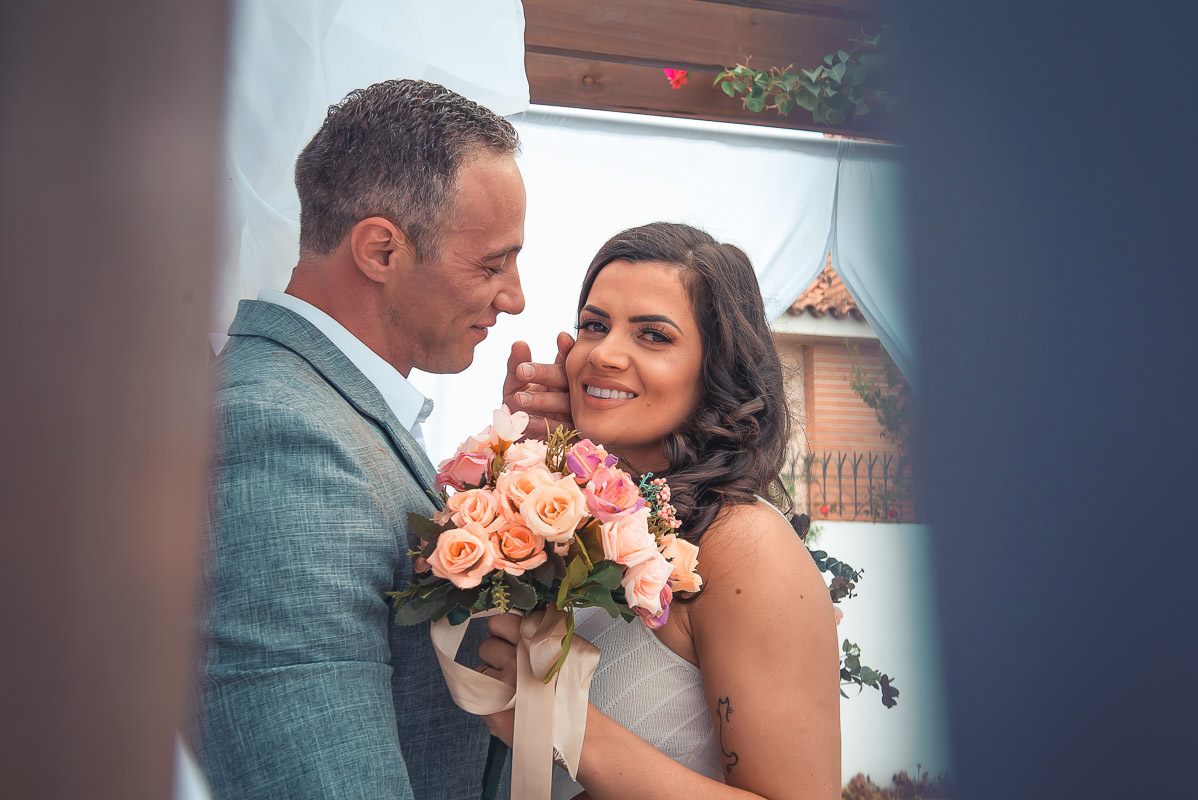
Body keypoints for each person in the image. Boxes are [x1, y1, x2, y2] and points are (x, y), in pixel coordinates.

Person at [196, 79, 543, 799]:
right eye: (491, 263)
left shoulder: (330, 408)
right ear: (381, 249)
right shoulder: (279, 433)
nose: (514, 297)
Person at [483, 223, 842, 799]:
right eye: (594, 326)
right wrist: (522, 462)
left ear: (716, 370)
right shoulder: (572, 517)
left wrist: (571, 729)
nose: (603, 353)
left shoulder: (743, 546)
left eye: (653, 335)